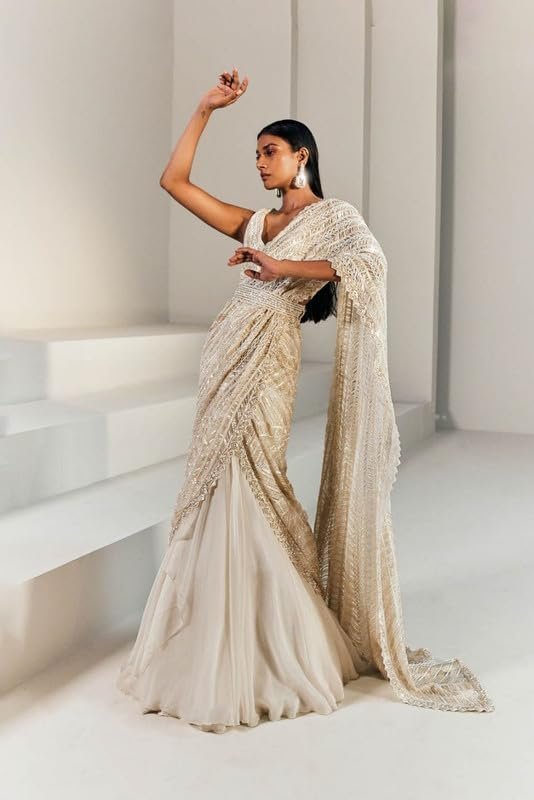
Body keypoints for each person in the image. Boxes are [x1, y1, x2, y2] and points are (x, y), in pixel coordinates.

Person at [116, 68, 494, 733]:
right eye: (257, 154)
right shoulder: (256, 222)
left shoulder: (334, 217)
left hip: (271, 358)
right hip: (227, 352)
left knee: (261, 475)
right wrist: (205, 109)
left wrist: (280, 267)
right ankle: (213, 641)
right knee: (217, 480)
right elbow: (173, 182)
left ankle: (279, 641)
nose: (261, 163)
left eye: (270, 151)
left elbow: (367, 265)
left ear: (302, 155)